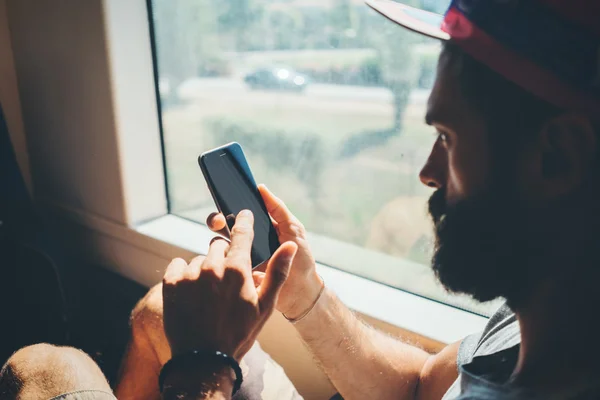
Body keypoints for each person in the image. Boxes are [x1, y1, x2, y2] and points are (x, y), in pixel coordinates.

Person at [3, 0, 600, 399]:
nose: (426, 171)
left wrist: (205, 365)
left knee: (49, 368)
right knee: (163, 310)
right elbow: (421, 386)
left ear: (558, 156)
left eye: (447, 138)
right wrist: (305, 296)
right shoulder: (542, 311)